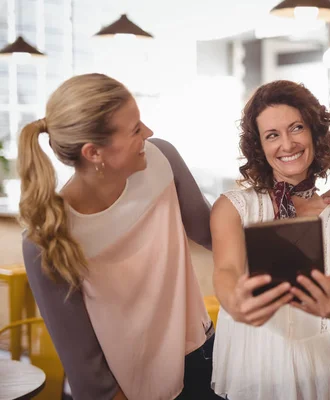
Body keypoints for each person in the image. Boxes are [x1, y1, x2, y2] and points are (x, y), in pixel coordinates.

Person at [18, 73, 222, 400]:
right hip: (124, 391)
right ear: (94, 153)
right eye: (135, 129)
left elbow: (214, 232)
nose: (149, 133)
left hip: (199, 356)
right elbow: (86, 370)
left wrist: (286, 206)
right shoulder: (46, 239)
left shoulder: (162, 159)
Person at [210, 80, 330, 400]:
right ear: (259, 146)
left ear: (315, 133)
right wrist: (236, 304)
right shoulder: (233, 207)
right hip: (252, 365)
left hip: (319, 368)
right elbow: (225, 271)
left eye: (296, 128)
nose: (287, 144)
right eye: (272, 135)